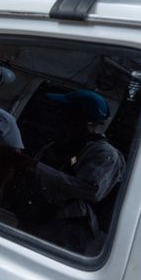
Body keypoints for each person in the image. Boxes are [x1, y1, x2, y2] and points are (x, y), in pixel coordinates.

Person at [20, 90, 125, 255]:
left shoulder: (104, 154)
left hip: (69, 225)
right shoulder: (63, 143)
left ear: (82, 118)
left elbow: (91, 190)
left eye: (67, 112)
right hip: (40, 215)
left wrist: (37, 168)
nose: (61, 116)